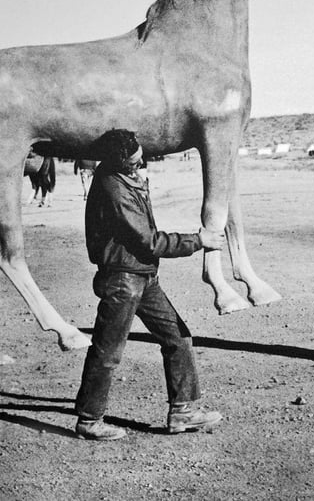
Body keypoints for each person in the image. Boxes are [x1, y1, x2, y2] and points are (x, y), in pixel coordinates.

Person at [75, 129, 224, 440]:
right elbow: (149, 241)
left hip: (143, 277)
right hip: (123, 280)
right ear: (118, 164)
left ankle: (182, 412)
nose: (140, 167)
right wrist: (197, 241)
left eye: (141, 161)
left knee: (178, 338)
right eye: (134, 164)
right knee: (108, 351)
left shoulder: (126, 177)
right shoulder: (114, 189)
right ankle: (89, 420)